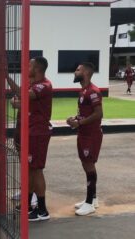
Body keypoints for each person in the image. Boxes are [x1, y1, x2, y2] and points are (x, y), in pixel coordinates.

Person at [6, 57, 52, 221]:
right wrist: (16, 102)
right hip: (30, 132)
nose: (26, 66)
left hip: (38, 134)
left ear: (37, 68)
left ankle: (42, 210)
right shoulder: (33, 85)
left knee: (36, 170)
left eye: (29, 65)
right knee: (30, 169)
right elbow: (22, 100)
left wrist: (7, 76)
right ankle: (27, 205)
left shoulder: (44, 85)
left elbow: (23, 95)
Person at [66, 62, 103, 216]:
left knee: (89, 165)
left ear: (86, 73)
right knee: (85, 164)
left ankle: (89, 203)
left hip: (91, 135)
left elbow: (98, 114)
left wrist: (79, 122)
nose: (75, 72)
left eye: (78, 70)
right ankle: (92, 198)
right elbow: (85, 113)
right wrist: (74, 119)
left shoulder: (93, 91)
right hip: (83, 133)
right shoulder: (83, 91)